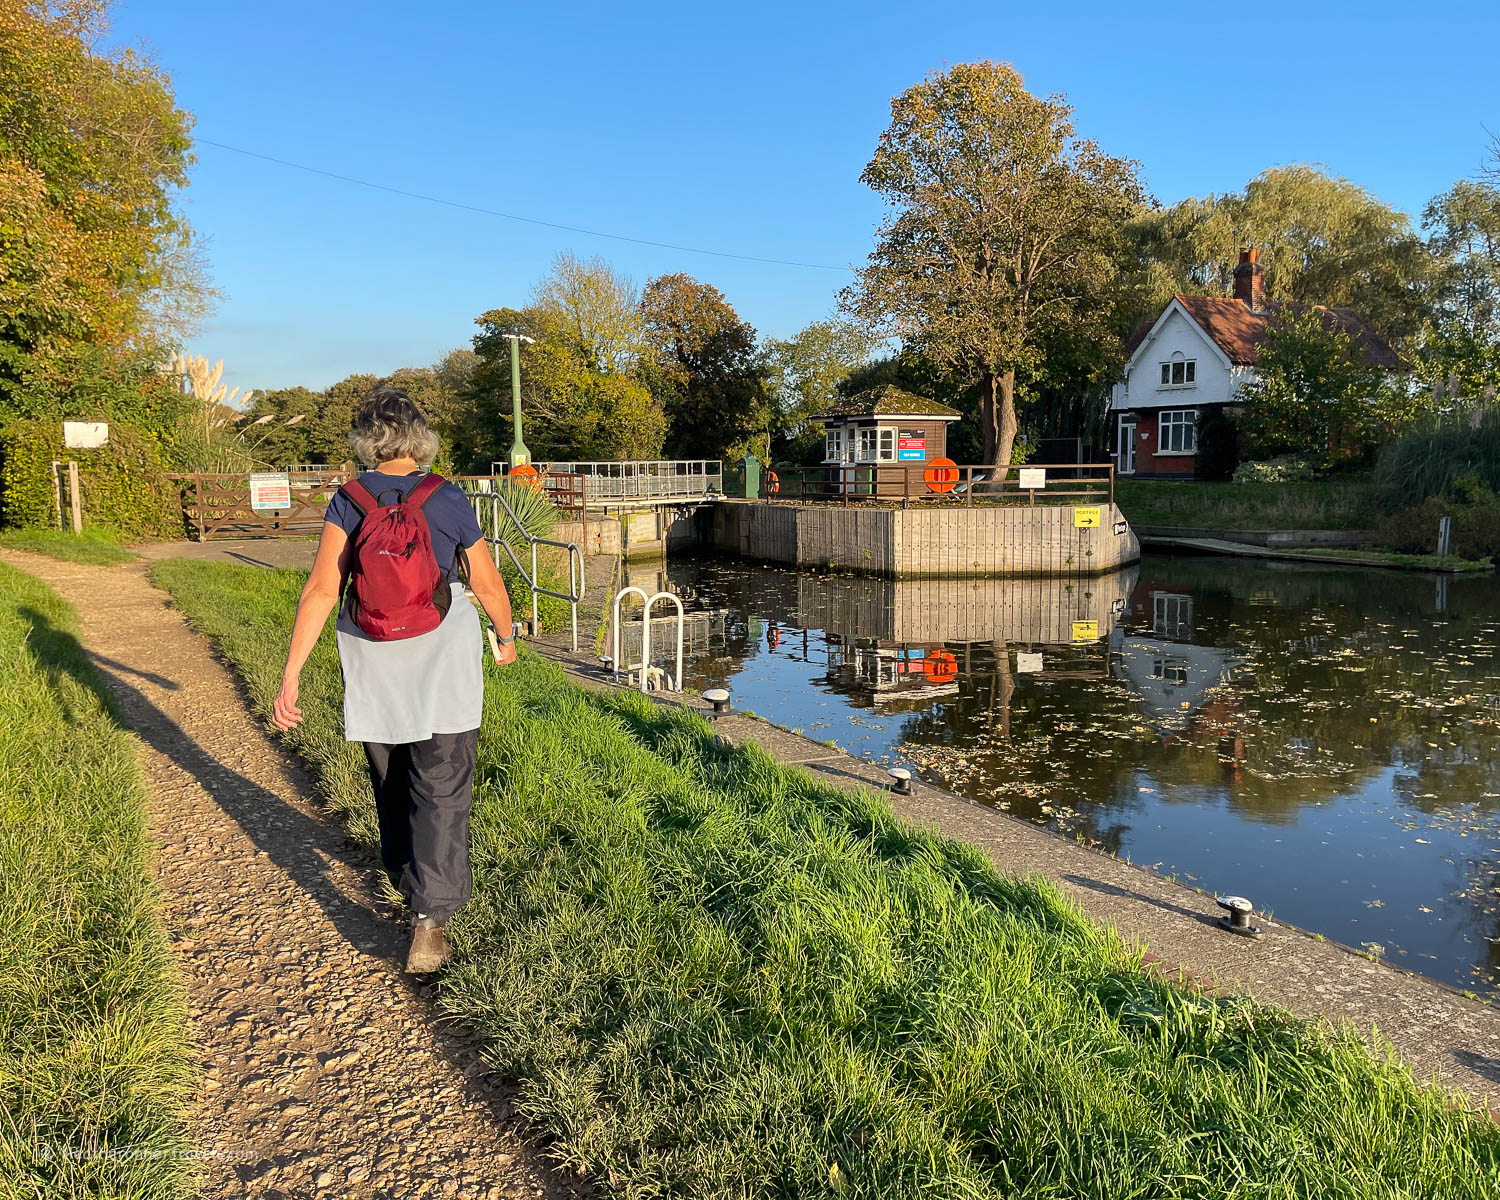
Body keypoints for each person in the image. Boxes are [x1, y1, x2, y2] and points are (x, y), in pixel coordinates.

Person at [272, 386, 517, 973]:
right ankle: (430, 920)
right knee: (444, 784)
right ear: (421, 438)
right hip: (444, 660)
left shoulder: (349, 500)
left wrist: (292, 675)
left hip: (371, 658)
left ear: (365, 441)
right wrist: (505, 639)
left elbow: (322, 591)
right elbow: (486, 583)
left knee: (392, 778)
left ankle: (408, 880)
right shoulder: (448, 497)